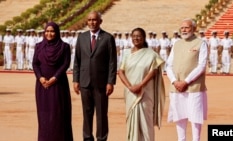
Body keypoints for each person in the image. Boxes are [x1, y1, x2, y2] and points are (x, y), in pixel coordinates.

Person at [73, 11, 117, 141]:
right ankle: (87, 138)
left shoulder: (108, 38)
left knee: (101, 114)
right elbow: (77, 61)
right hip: (84, 82)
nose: (92, 22)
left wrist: (110, 82)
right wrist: (76, 80)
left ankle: (101, 138)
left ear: (100, 21)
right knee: (86, 113)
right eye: (89, 20)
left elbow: (112, 62)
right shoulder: (82, 37)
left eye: (94, 20)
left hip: (101, 83)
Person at [118, 27, 166, 141]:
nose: (136, 38)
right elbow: (120, 71)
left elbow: (153, 71)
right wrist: (130, 86)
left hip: (145, 93)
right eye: (134, 36)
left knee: (146, 120)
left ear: (144, 38)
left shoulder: (151, 54)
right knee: (131, 120)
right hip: (130, 93)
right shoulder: (126, 53)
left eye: (139, 36)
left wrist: (140, 85)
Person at [166, 18, 208, 141]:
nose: (184, 30)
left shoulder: (201, 43)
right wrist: (174, 81)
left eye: (187, 27)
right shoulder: (176, 43)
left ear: (194, 29)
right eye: (182, 28)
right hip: (176, 87)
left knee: (195, 116)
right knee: (179, 115)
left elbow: (201, 65)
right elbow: (169, 65)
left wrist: (186, 81)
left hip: (194, 87)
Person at [32, 22, 73, 141]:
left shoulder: (64, 47)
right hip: (42, 86)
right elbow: (35, 63)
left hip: (58, 85)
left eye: (52, 31)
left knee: (58, 115)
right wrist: (40, 77)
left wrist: (55, 78)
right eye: (47, 31)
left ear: (57, 32)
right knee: (44, 114)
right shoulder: (39, 46)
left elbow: (65, 64)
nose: (49, 34)